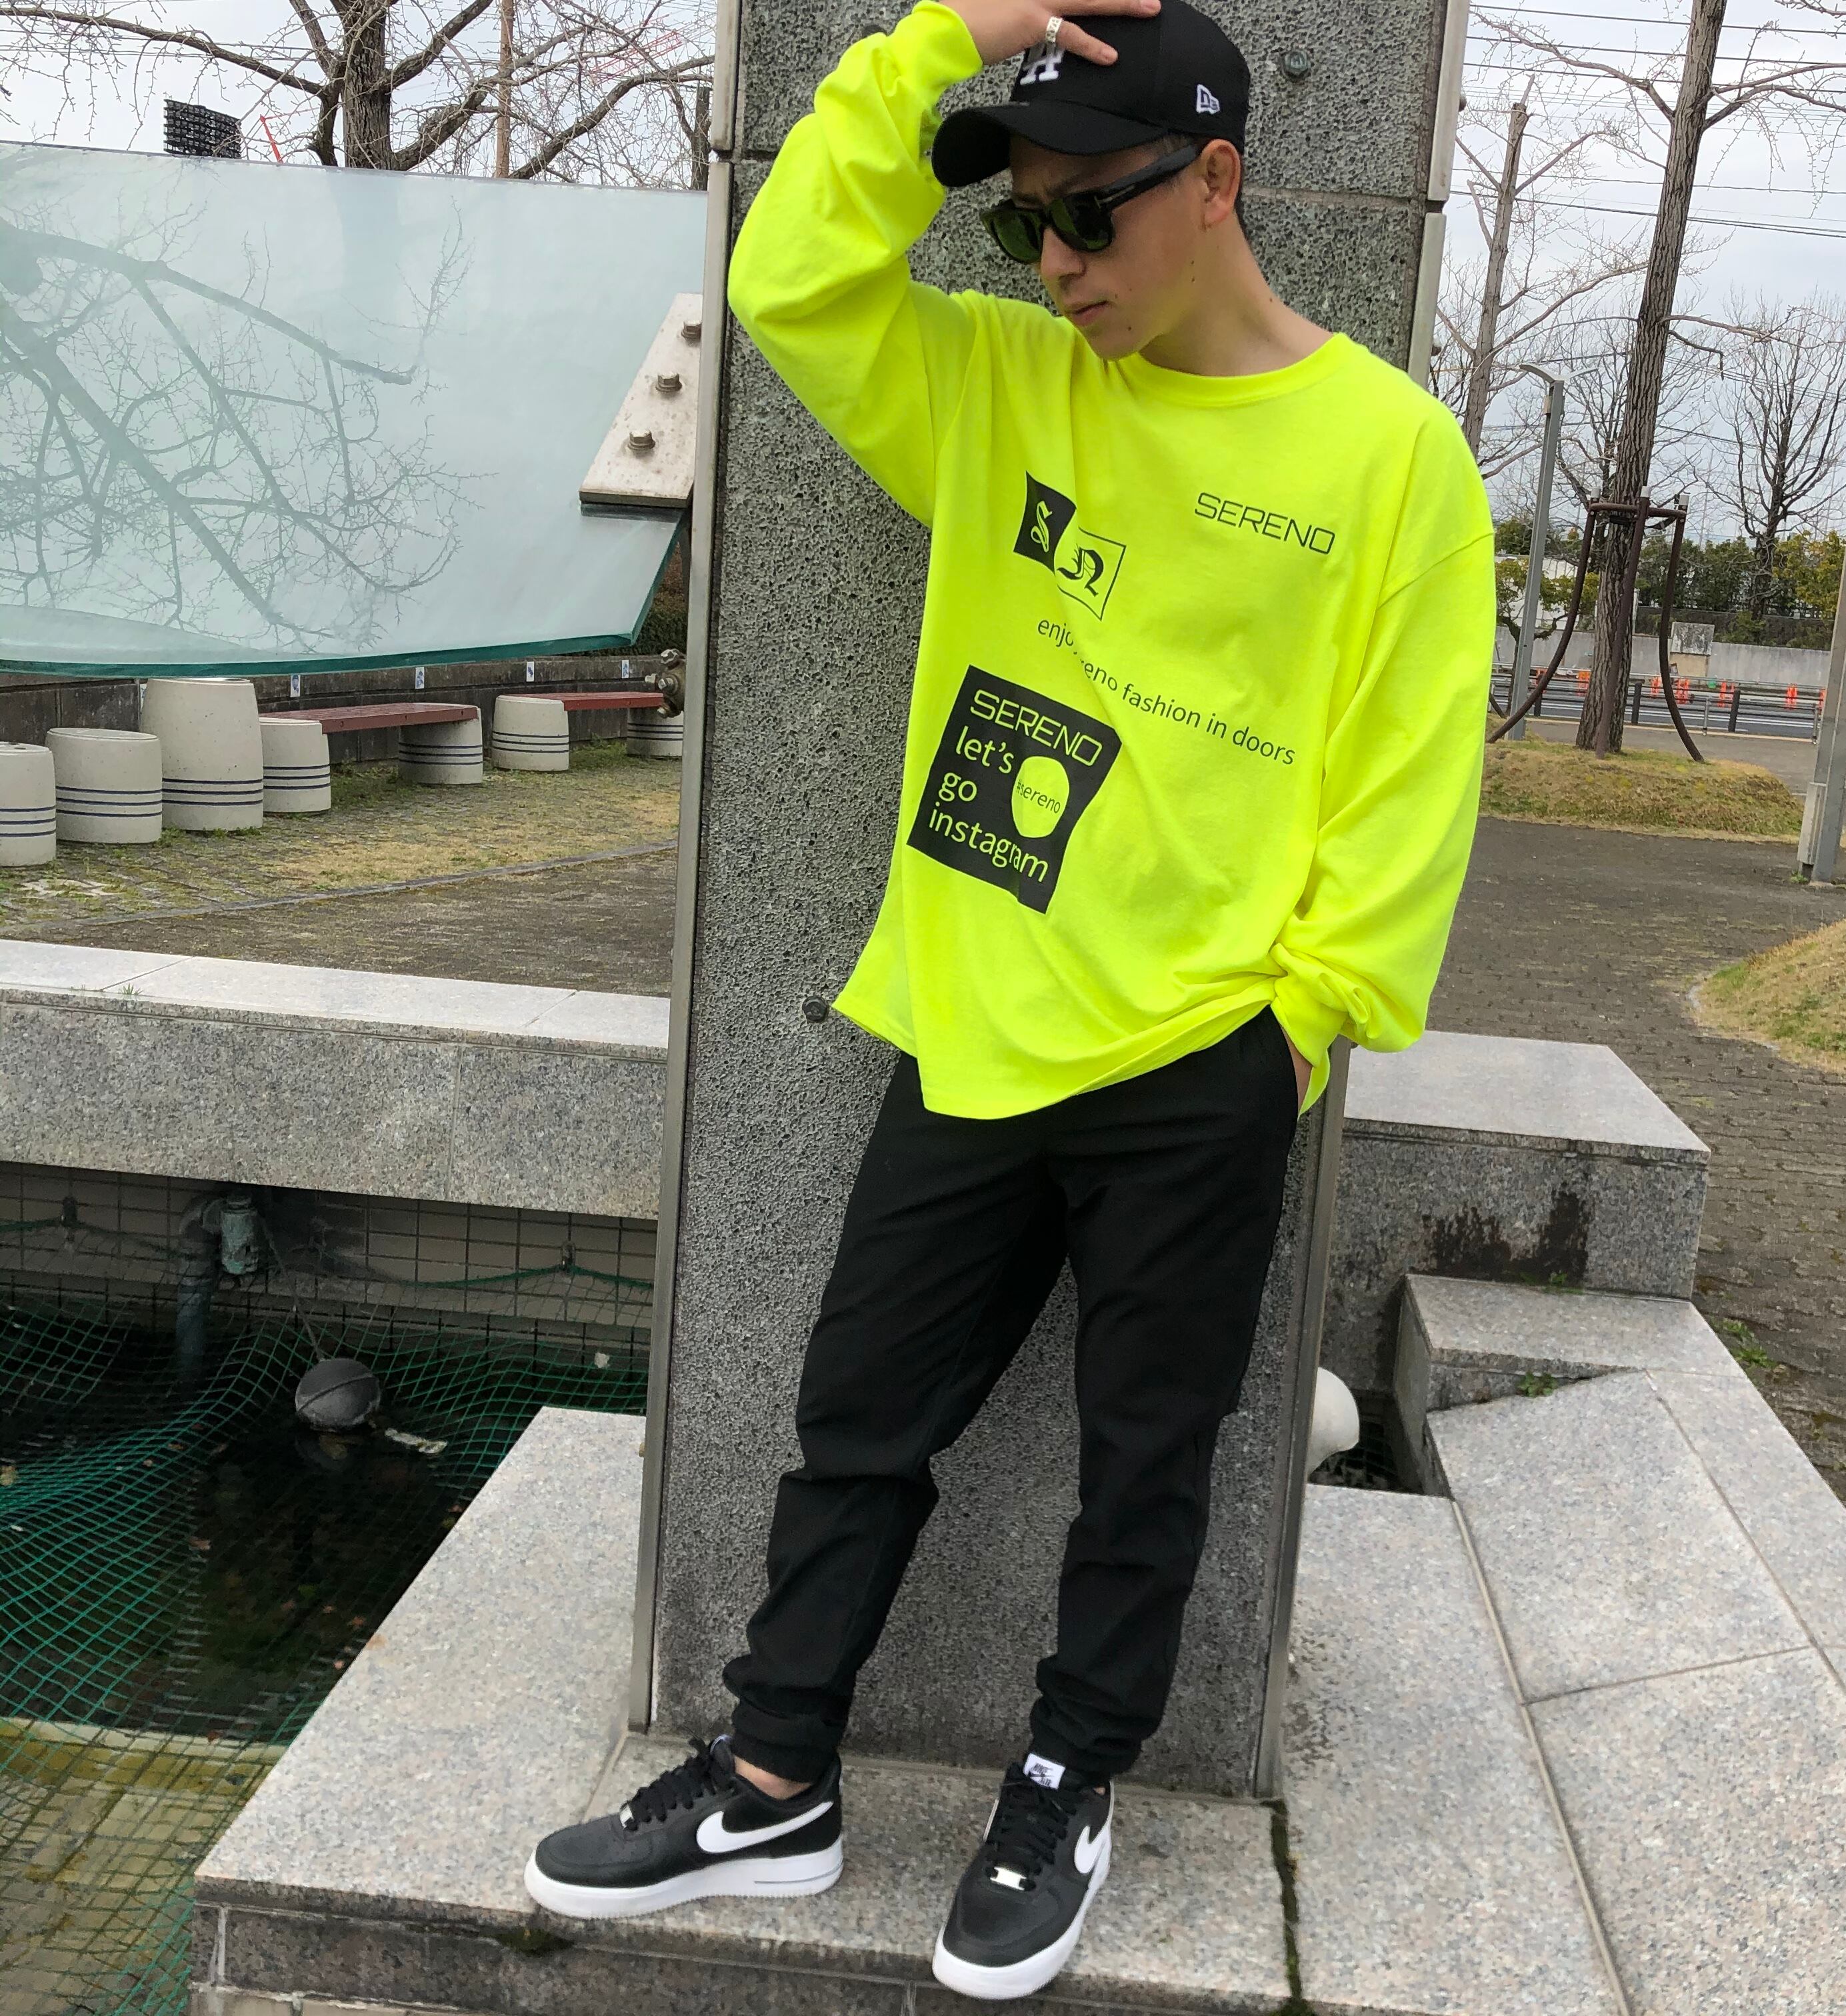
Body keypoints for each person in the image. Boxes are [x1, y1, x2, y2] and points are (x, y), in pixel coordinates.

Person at [525, 0, 1493, 1998]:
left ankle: (1065, 1782)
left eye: (1090, 215)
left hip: (1203, 1055)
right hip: (973, 1022)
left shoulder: (1395, 455)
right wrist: (936, 40)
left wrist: (1300, 1025)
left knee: (1149, 1454)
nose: (1055, 264)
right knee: (857, 1418)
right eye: (1021, 224)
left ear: (1217, 180)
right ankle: (774, 1779)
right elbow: (792, 275)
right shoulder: (998, 386)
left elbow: (1408, 782)